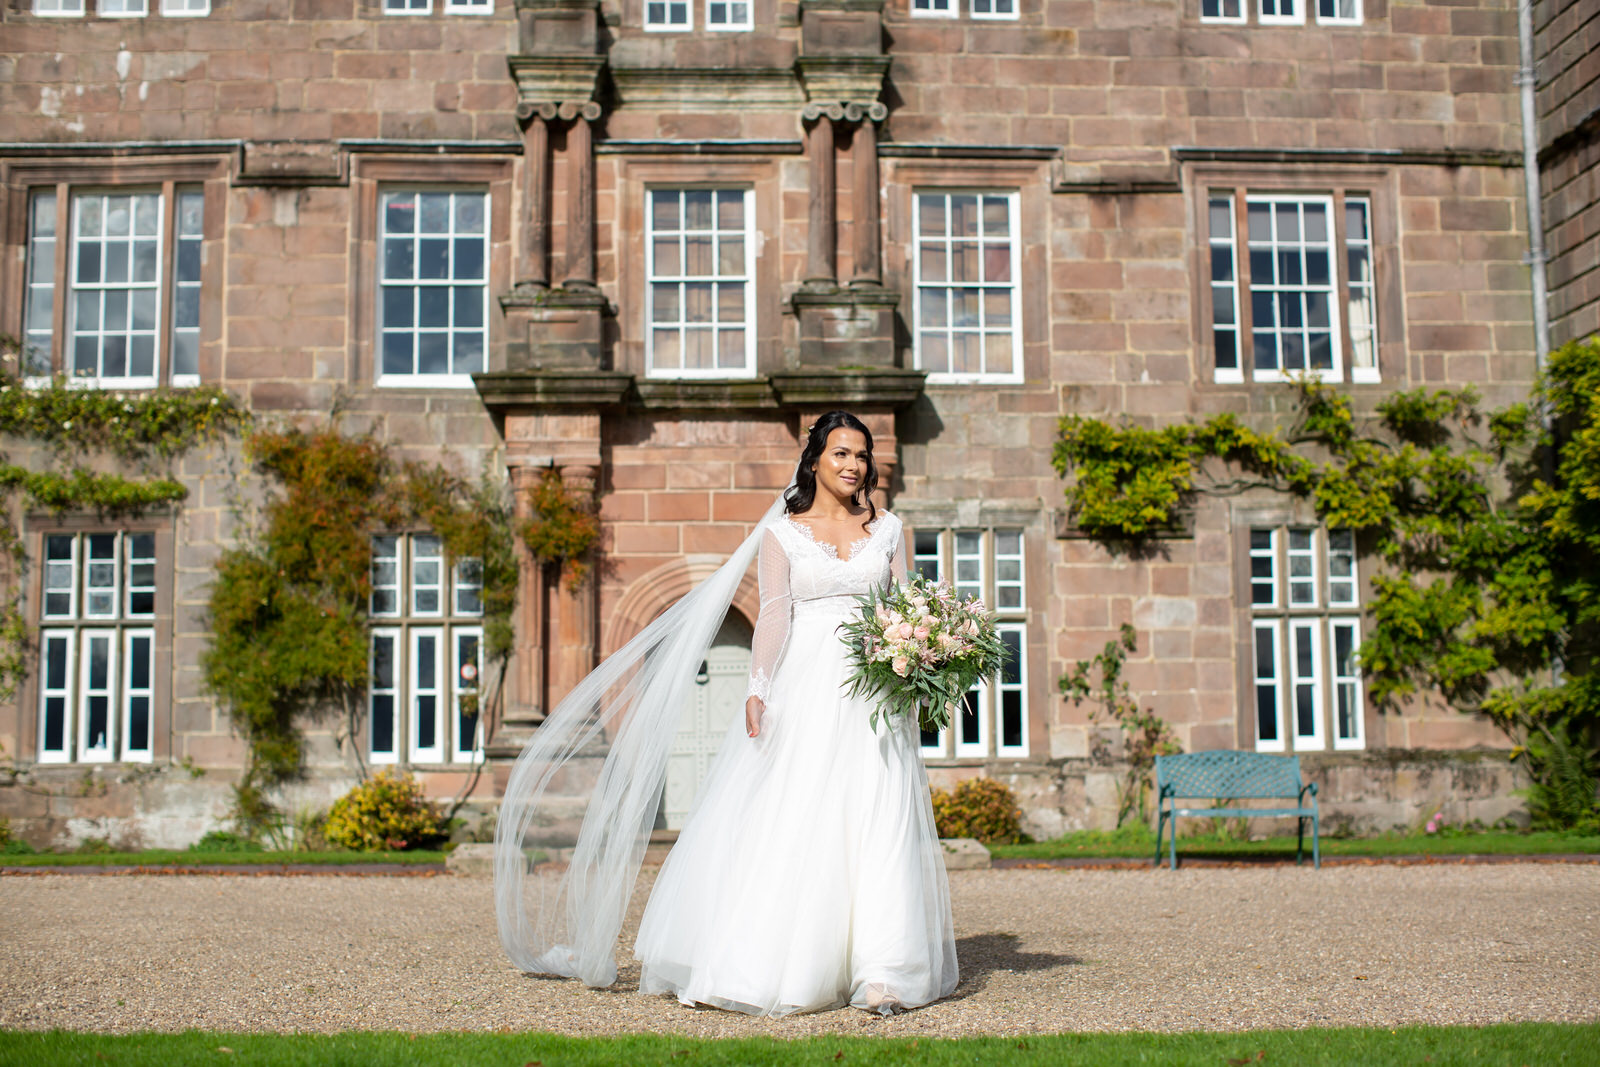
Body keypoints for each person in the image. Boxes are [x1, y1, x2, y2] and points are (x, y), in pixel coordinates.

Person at [494, 411, 957, 1018]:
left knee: (879, 815)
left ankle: (884, 971)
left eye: (862, 456)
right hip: (808, 688)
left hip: (874, 693)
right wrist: (758, 687)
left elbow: (907, 605)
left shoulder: (891, 528)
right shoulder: (783, 535)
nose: (853, 466)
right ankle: (776, 961)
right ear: (815, 458)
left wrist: (925, 654)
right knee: (801, 815)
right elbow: (774, 616)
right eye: (841, 453)